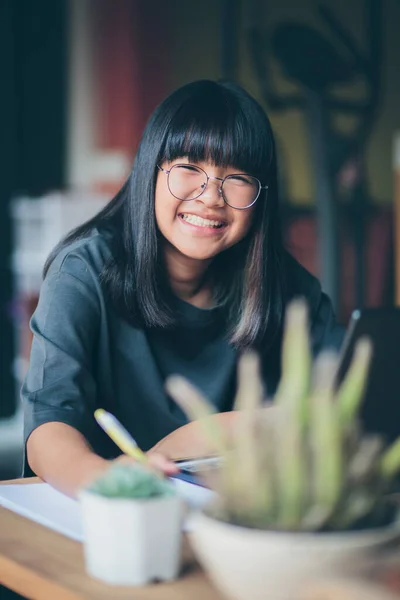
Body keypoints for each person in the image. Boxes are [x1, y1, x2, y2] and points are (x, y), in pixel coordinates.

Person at [22, 80, 345, 497]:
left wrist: (188, 440)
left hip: (237, 514)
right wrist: (108, 484)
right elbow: (48, 426)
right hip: (110, 518)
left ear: (262, 195)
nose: (211, 196)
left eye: (238, 177)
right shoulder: (82, 271)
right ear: (150, 170)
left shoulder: (284, 285)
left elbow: (344, 401)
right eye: (189, 168)